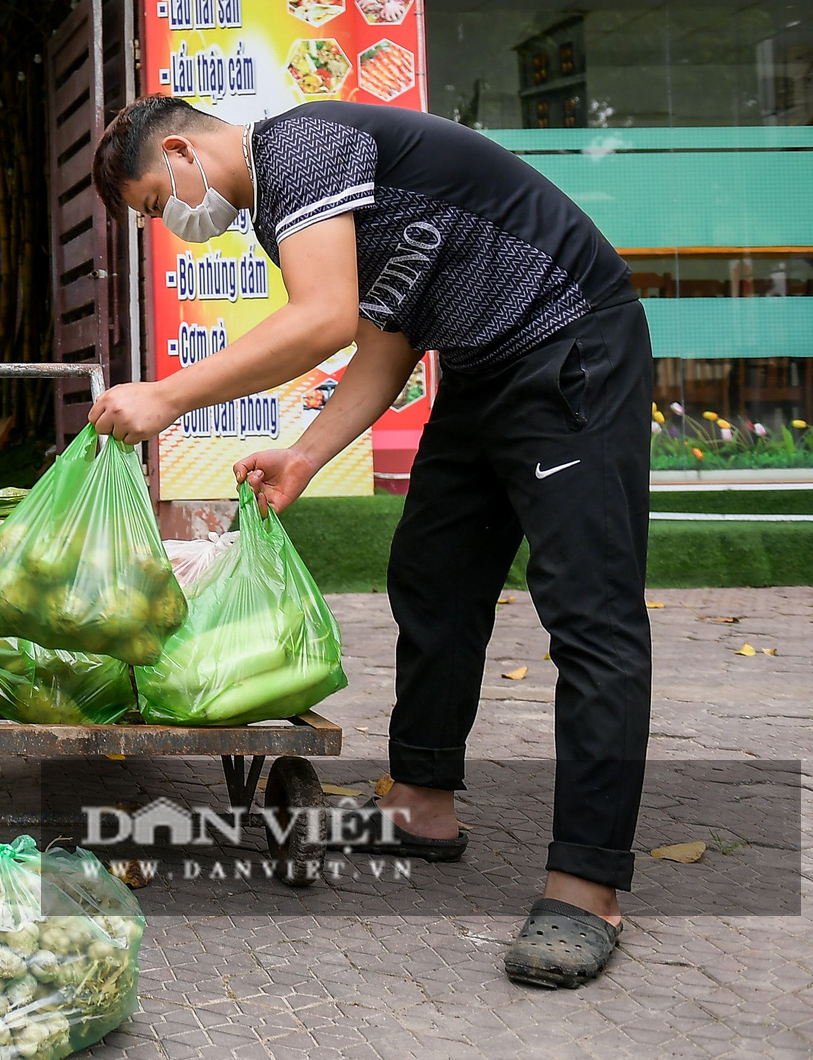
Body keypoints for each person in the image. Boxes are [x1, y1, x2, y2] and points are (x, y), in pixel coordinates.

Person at [86, 96, 651, 990]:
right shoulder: (292, 205)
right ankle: (422, 803)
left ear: (184, 149)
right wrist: (305, 457)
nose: (170, 225)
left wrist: (167, 396)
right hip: (482, 363)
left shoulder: (300, 147)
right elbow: (383, 348)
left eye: (156, 203)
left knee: (591, 614)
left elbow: (322, 320)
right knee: (432, 573)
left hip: (570, 340)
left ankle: (587, 887)